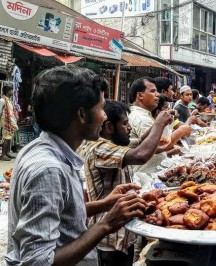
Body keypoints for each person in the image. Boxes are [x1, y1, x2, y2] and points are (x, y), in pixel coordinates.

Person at [6, 66, 148, 265]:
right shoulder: (48, 169)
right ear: (81, 114)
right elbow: (37, 261)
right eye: (101, 108)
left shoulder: (43, 149)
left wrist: (105, 204)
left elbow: (63, 212)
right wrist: (106, 224)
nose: (105, 116)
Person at [77, 100, 172, 265]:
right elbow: (141, 154)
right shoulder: (99, 148)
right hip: (110, 235)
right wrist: (158, 123)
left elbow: (141, 141)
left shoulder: (115, 143)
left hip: (121, 229)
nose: (129, 128)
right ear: (109, 127)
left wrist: (161, 124)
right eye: (125, 123)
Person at [128, 77, 191, 174]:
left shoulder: (144, 115)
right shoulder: (141, 119)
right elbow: (156, 146)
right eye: (153, 91)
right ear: (140, 95)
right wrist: (181, 130)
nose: (157, 95)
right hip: (147, 175)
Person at [0, 85, 18, 161]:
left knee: (9, 138)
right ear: (8, 91)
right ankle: (3, 155)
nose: (12, 92)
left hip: (11, 122)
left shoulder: (9, 100)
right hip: (6, 123)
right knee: (6, 138)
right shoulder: (2, 100)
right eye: (11, 90)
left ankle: (7, 153)